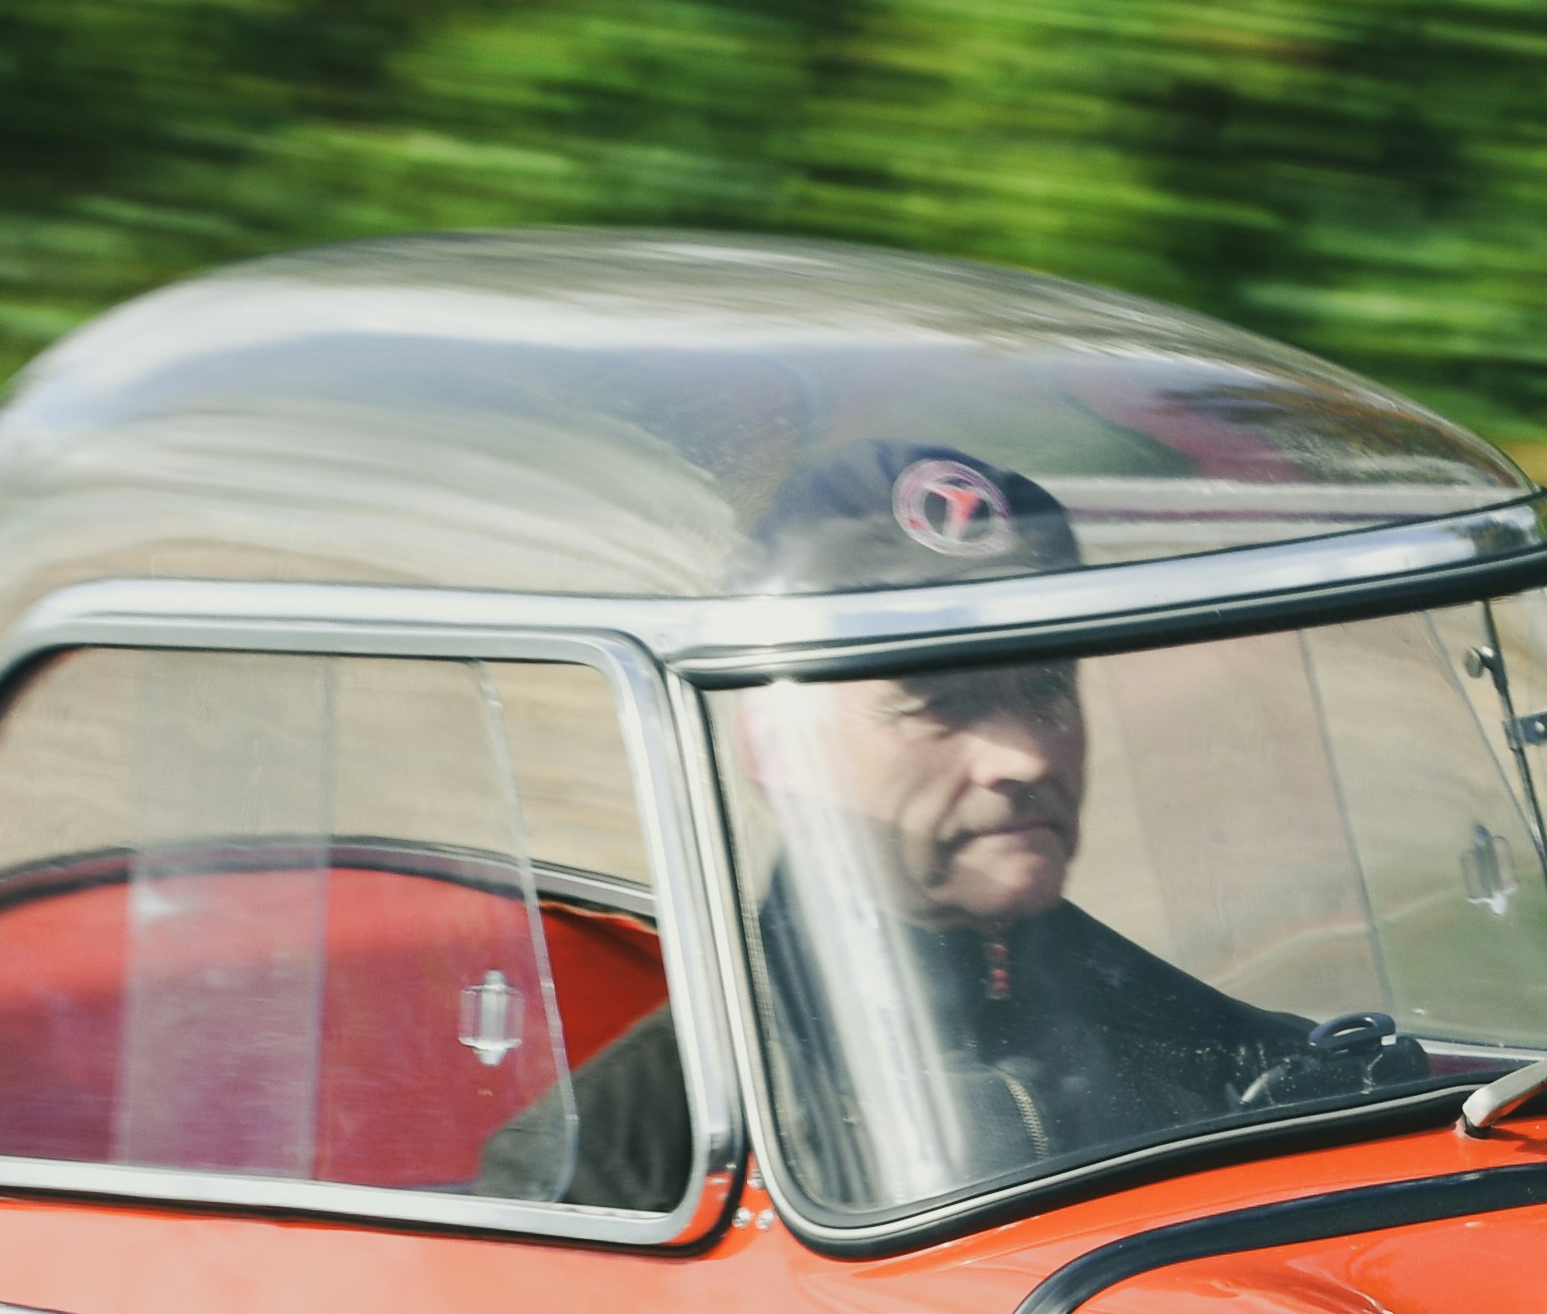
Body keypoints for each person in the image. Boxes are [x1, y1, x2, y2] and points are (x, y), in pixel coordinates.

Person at [481, 443, 1426, 1214]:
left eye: (1048, 688)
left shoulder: (1245, 1062)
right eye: (940, 700)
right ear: (775, 746)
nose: (1024, 755)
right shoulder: (617, 1162)